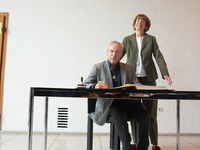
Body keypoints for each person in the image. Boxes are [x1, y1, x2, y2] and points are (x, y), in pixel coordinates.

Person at [84, 41, 149, 150]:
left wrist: (135, 87)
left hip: (128, 102)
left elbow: (138, 84)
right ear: (107, 52)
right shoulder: (98, 67)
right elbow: (85, 84)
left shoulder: (128, 68)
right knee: (120, 114)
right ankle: (127, 147)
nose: (114, 54)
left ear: (121, 54)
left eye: (117, 52)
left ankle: (142, 148)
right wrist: (95, 86)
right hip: (109, 104)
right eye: (111, 51)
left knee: (144, 115)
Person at [122, 14, 172, 150]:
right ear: (134, 24)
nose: (140, 22)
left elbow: (158, 56)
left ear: (146, 26)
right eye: (138, 20)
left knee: (151, 114)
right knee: (133, 111)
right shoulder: (127, 40)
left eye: (143, 21)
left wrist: (165, 73)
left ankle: (155, 143)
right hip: (132, 80)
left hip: (149, 79)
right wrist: (109, 71)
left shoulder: (151, 39)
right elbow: (118, 55)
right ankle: (135, 141)